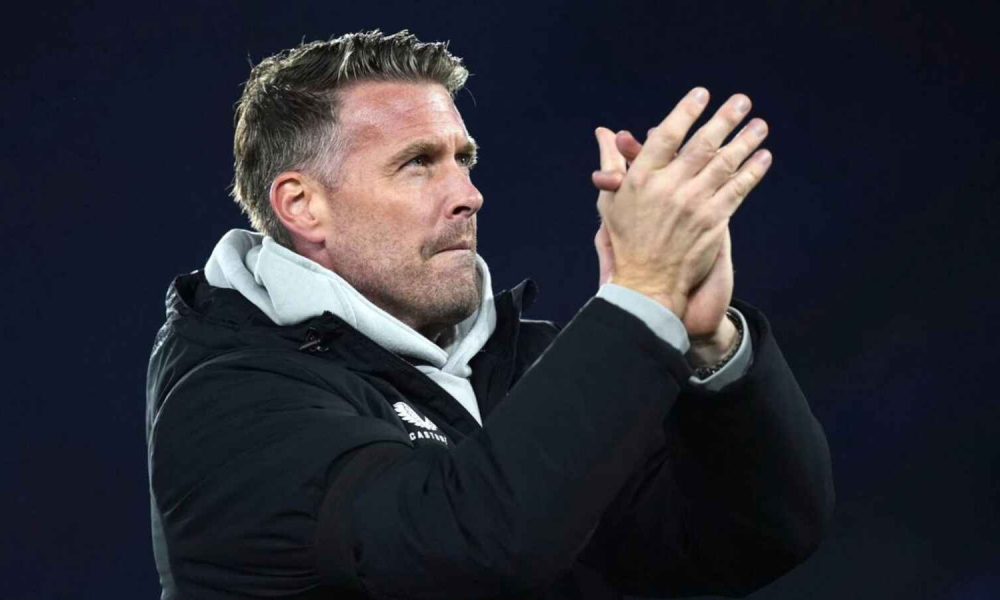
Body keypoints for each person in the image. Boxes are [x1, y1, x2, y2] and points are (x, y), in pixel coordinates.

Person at [145, 29, 834, 600]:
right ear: (302, 206)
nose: (468, 194)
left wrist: (703, 340)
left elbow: (753, 537)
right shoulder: (230, 400)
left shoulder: (519, 364)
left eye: (464, 159)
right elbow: (470, 549)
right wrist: (639, 297)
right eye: (418, 164)